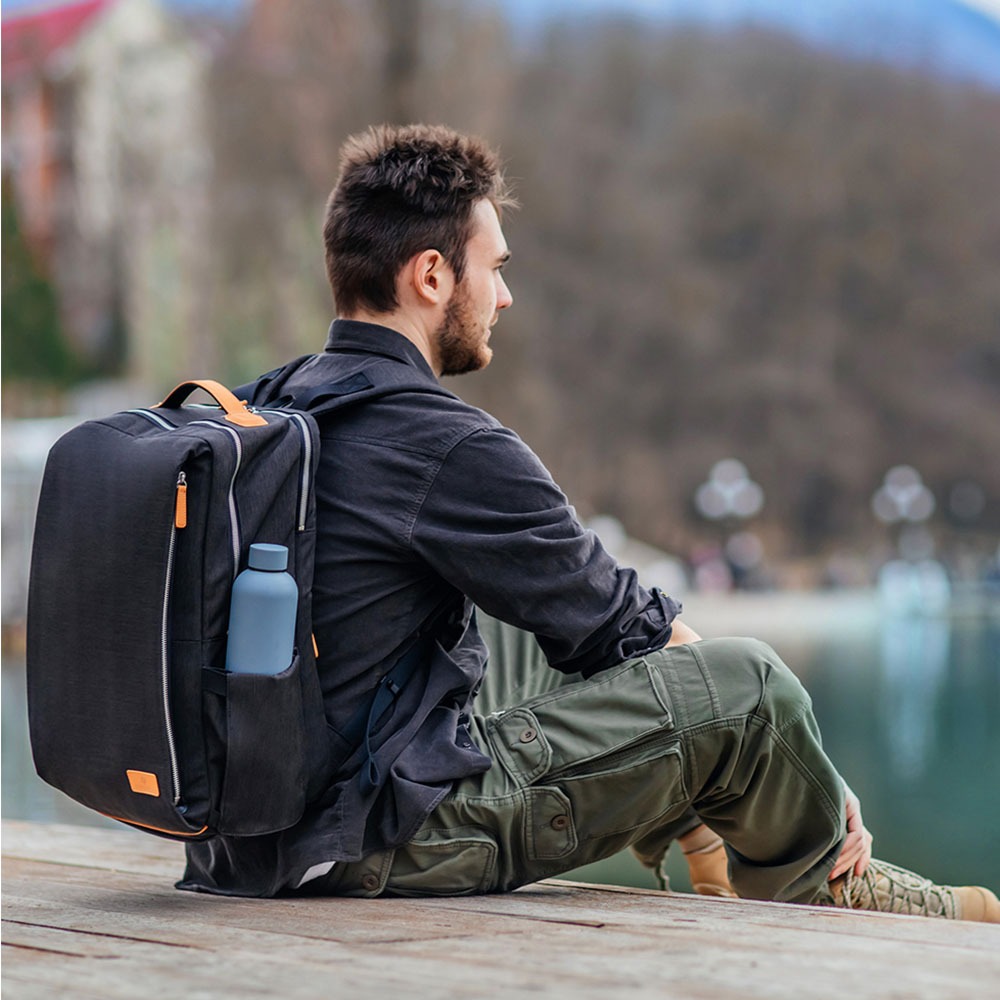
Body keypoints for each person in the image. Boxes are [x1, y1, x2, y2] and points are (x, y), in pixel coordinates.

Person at [180, 124, 998, 922]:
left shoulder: (267, 406)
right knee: (752, 691)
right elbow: (629, 628)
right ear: (431, 275)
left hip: (241, 842)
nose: (504, 296)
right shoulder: (445, 445)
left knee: (514, 622)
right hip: (382, 841)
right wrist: (810, 768)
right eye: (493, 269)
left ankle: (709, 833)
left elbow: (582, 610)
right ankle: (828, 876)